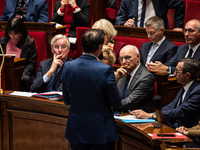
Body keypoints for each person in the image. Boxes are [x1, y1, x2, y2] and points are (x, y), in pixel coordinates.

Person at [62, 29, 121, 150]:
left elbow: (66, 100)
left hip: (76, 130)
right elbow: (116, 103)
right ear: (100, 47)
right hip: (100, 132)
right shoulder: (105, 70)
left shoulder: (68, 66)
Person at [131, 58, 200, 129]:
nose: (174, 74)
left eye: (177, 71)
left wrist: (151, 115)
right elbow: (172, 106)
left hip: (188, 132)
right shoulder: (185, 87)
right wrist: (154, 114)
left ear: (187, 75)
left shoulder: (197, 91)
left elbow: (180, 111)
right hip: (176, 127)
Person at [0, 16, 37, 91]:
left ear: (21, 32)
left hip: (23, 73)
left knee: (25, 79)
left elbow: (32, 63)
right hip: (5, 72)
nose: (12, 36)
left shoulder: (29, 43)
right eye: (10, 33)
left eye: (15, 34)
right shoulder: (3, 41)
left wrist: (24, 72)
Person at [115, 45, 154, 113]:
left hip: (135, 117)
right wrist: (116, 79)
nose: (123, 62)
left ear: (138, 57)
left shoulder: (146, 77)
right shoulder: (122, 73)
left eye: (127, 58)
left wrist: (107, 104)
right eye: (121, 59)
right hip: (119, 113)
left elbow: (129, 103)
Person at [115, 0, 185, 31]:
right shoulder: (127, 1)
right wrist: (125, 24)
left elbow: (179, 4)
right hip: (135, 34)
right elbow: (118, 21)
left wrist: (178, 26)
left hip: (158, 36)